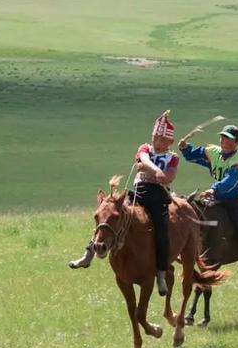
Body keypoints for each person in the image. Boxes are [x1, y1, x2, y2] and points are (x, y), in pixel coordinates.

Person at [69, 111, 179, 297]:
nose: (156, 141)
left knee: (162, 230)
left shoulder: (173, 157)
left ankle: (160, 273)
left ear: (169, 142)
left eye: (161, 139)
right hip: (137, 193)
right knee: (109, 216)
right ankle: (89, 254)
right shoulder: (145, 148)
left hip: (158, 197)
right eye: (154, 137)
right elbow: (143, 160)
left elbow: (169, 177)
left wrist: (153, 171)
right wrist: (155, 170)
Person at [178, 124, 238, 273]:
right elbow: (194, 155)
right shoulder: (213, 152)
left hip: (232, 202)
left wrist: (214, 189)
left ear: (236, 142)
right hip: (215, 200)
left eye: (228, 138)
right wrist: (185, 147)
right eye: (222, 137)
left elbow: (230, 181)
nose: (223, 140)